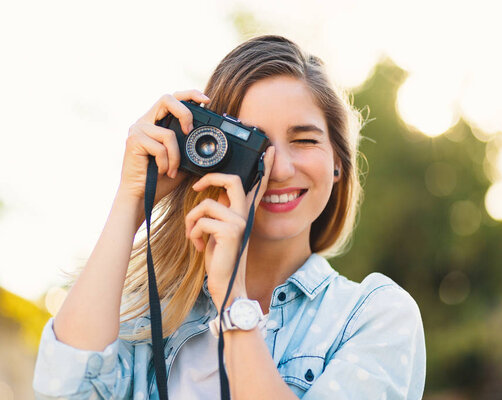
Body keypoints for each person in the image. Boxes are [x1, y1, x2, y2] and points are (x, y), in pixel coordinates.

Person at [33, 35, 426, 400]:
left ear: (338, 163)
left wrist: (233, 301)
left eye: (304, 140)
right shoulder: (149, 314)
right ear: (206, 150)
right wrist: (132, 200)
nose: (280, 168)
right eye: (253, 142)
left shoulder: (373, 316)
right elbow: (63, 391)